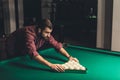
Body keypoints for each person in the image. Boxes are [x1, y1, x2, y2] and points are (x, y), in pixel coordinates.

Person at [6, 18, 79, 72]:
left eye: (50, 32)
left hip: (23, 47)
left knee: (24, 55)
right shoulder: (29, 33)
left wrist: (69, 57)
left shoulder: (46, 35)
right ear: (39, 30)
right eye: (47, 32)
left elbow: (57, 45)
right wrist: (51, 65)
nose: (49, 35)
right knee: (13, 64)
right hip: (12, 45)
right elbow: (33, 53)